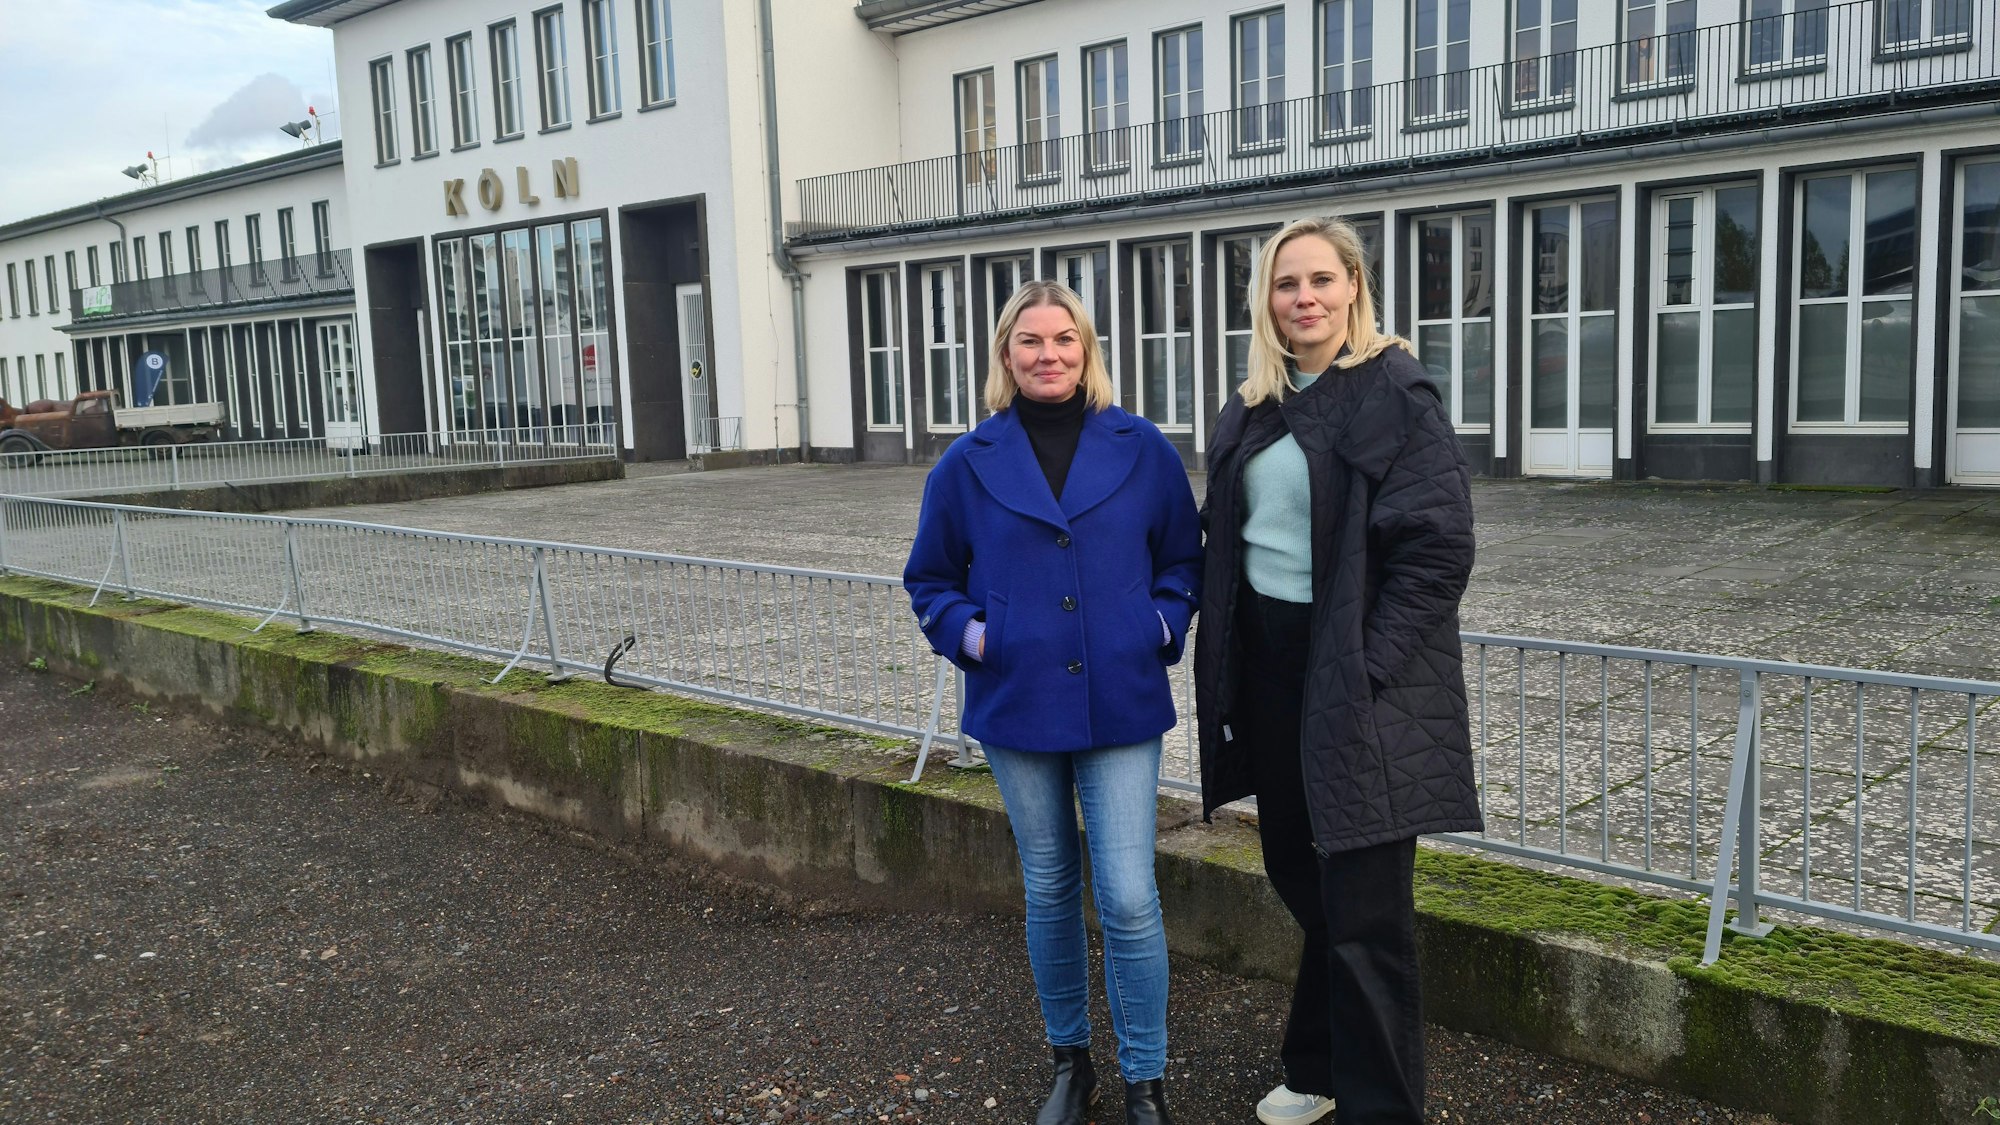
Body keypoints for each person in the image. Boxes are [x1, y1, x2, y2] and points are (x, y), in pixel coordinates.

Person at [1194, 217, 1479, 1125]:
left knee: (1364, 908)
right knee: (1300, 874)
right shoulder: (1255, 403)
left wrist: (1365, 666)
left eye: (1322, 279)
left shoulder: (1394, 391)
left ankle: (1381, 1107)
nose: (1304, 297)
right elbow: (1225, 537)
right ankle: (1319, 1067)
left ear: (1355, 285)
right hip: (1270, 668)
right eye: (1287, 283)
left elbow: (1438, 549)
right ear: (1266, 300)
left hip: (1355, 675)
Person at [905, 280, 1202, 1125]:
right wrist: (979, 638)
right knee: (1049, 885)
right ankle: (1072, 1063)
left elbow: (1184, 559)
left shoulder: (1142, 447)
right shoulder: (967, 462)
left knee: (1129, 894)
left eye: (1064, 338)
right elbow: (930, 579)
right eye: (1030, 340)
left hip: (1121, 698)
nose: (1049, 354)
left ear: (1087, 348)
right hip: (1017, 698)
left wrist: (1156, 623)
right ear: (1006, 353)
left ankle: (1145, 1079)